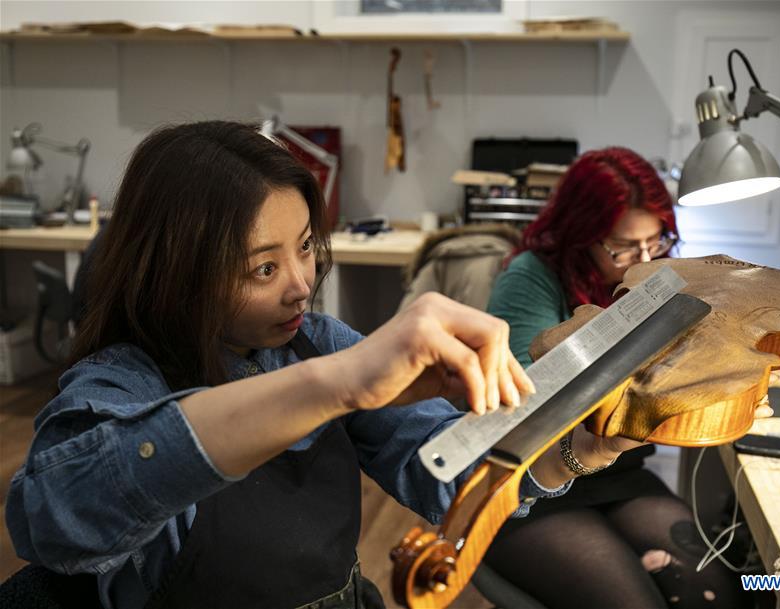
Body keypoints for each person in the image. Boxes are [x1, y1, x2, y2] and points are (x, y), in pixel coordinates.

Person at [4, 122, 646, 609]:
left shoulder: (320, 339)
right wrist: (334, 386)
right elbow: (57, 522)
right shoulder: (118, 385)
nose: (301, 286)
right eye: (262, 267)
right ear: (177, 273)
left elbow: (442, 469)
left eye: (306, 247)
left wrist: (574, 449)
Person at [483, 147, 770, 609]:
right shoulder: (529, 278)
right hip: (530, 481)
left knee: (714, 596)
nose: (640, 259)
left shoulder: (653, 275)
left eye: (655, 243)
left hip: (616, 472)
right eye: (622, 247)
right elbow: (529, 399)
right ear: (581, 235)